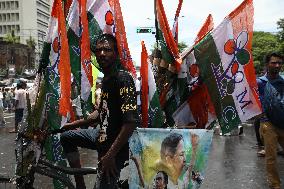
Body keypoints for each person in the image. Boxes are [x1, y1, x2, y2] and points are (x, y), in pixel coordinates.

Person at [60, 33, 139, 189]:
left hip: (115, 148)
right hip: (100, 135)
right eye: (99, 50)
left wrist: (110, 155)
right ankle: (80, 185)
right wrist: (71, 125)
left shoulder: (123, 79)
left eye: (107, 50)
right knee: (66, 137)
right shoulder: (106, 79)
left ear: (116, 54)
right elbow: (99, 114)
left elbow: (130, 123)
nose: (102, 53)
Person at [257, 52, 284, 189]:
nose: (277, 65)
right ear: (267, 64)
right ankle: (275, 185)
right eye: (274, 62)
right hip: (268, 123)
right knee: (271, 157)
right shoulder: (259, 82)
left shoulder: (283, 81)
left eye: (279, 62)